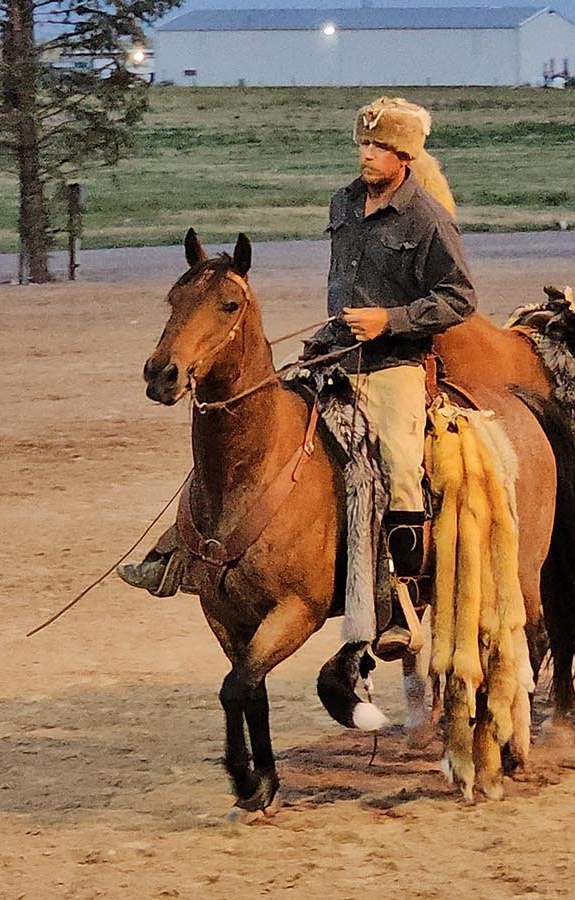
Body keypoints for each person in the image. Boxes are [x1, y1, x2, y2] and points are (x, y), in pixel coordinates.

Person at [123, 97, 475, 654]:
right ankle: (181, 551)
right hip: (331, 355)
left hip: (393, 365)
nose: (367, 155)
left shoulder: (427, 219)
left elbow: (460, 299)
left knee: (401, 468)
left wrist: (392, 319)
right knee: (254, 433)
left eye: (379, 147)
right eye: (363, 144)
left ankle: (401, 598)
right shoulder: (343, 204)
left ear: (404, 155)